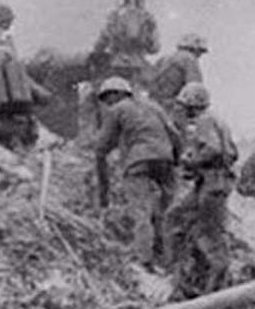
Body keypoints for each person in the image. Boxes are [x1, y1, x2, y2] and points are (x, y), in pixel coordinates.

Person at [94, 76, 181, 268]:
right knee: (166, 211)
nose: (107, 103)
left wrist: (103, 192)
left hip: (138, 162)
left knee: (141, 210)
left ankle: (144, 260)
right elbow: (174, 134)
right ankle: (169, 258)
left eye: (108, 98)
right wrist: (175, 159)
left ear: (116, 94)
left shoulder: (117, 110)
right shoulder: (154, 106)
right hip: (166, 160)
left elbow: (101, 147)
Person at [163, 82, 237, 300]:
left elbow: (213, 149)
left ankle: (216, 291)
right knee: (175, 215)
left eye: (185, 106)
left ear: (191, 105)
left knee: (210, 235)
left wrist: (192, 161)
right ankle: (184, 276)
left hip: (212, 185)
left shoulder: (205, 121)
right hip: (212, 183)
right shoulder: (219, 121)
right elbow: (232, 153)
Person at [90, 0, 160, 90]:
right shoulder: (147, 18)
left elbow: (100, 45)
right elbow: (154, 48)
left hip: (116, 64)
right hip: (139, 65)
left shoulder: (114, 17)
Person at [149, 33, 207, 112]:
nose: (200, 55)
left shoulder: (163, 59)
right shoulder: (189, 59)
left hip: (153, 105)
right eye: (200, 51)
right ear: (195, 49)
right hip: (173, 107)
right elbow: (195, 88)